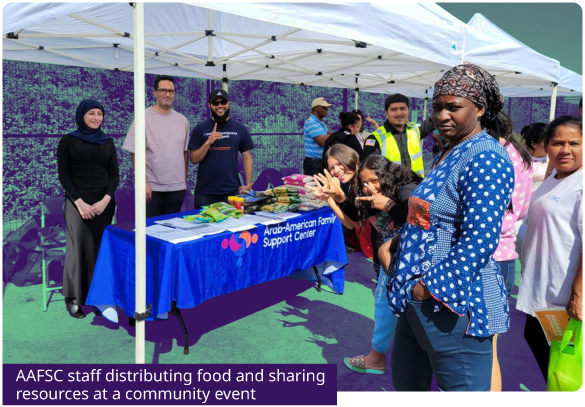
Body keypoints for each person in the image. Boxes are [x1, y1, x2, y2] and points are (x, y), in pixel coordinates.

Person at [387, 64, 515, 392]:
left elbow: (481, 237)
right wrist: (400, 242)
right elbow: (436, 218)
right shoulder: (451, 151)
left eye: (454, 107)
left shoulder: (486, 157)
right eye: (437, 107)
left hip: (450, 304)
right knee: (407, 383)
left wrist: (428, 288)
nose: (443, 115)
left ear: (480, 108)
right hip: (415, 299)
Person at [311, 154, 421, 375]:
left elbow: (419, 226)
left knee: (385, 303)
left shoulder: (405, 191)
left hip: (407, 261)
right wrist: (338, 199)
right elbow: (358, 218)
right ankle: (391, 354)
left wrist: (390, 206)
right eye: (365, 183)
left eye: (374, 180)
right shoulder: (382, 192)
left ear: (386, 175)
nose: (369, 187)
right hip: (394, 260)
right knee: (395, 305)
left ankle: (377, 359)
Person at [516, 116, 585, 382]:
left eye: (574, 143)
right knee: (550, 356)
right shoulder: (555, 176)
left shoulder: (581, 184)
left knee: (563, 364)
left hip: (565, 297)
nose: (565, 149)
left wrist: (579, 295)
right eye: (557, 143)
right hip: (545, 292)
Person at [57, 100, 119, 319]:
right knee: (80, 249)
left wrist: (105, 200)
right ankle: (73, 297)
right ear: (81, 115)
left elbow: (114, 175)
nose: (96, 117)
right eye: (91, 113)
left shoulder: (108, 142)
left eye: (100, 113)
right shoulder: (67, 141)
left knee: (101, 249)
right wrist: (79, 203)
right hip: (77, 203)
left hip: (103, 203)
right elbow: (64, 175)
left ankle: (98, 297)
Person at [489, 112, 533, 392]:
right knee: (488, 342)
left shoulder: (494, 155)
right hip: (504, 254)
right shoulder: (518, 155)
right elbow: (522, 209)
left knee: (478, 344)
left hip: (487, 255)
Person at [123, 75, 190, 218]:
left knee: (171, 231)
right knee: (150, 232)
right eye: (163, 90)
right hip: (152, 188)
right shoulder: (143, 117)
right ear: (155, 93)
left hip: (176, 188)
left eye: (171, 91)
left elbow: (184, 153)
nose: (167, 94)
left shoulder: (182, 120)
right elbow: (135, 152)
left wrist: (183, 182)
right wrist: (143, 182)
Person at [189, 89, 254, 208]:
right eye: (215, 103)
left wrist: (249, 184)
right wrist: (208, 142)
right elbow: (193, 159)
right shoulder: (200, 128)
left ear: (228, 103)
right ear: (209, 105)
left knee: (233, 225)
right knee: (204, 226)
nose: (220, 106)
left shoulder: (240, 128)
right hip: (205, 192)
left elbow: (247, 157)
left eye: (223, 102)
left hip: (232, 191)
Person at [360, 93, 434, 178]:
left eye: (403, 108)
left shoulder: (415, 130)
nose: (399, 113)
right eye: (394, 109)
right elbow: (369, 170)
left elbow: (435, 119)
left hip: (417, 186)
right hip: (392, 189)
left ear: (408, 110)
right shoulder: (374, 138)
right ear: (386, 113)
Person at [303, 97, 333, 176]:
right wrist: (330, 136)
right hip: (313, 164)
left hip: (319, 162)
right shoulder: (311, 122)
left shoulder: (321, 124)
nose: (326, 109)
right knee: (315, 188)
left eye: (327, 108)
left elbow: (329, 136)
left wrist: (329, 136)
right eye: (324, 107)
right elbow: (322, 141)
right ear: (316, 108)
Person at [521, 123, 549, 193]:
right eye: (547, 142)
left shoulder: (554, 158)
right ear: (534, 144)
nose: (551, 145)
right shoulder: (518, 158)